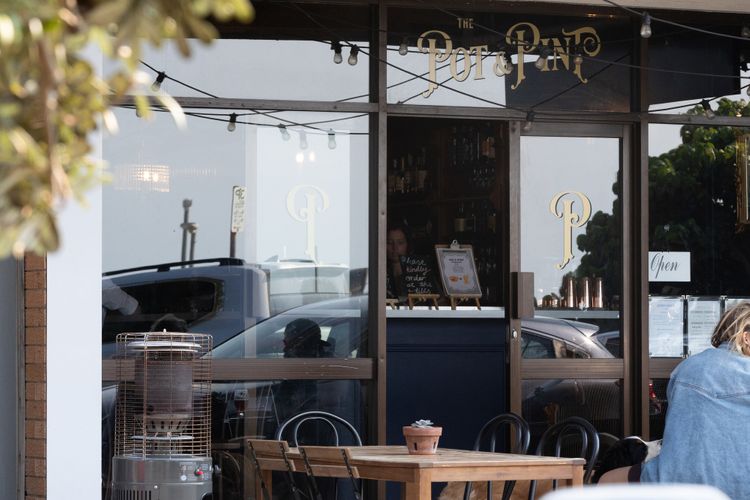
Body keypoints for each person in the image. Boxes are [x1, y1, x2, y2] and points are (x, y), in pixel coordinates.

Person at [599, 302, 750, 499]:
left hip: (674, 481)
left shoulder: (687, 366)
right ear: (746, 337)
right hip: (737, 486)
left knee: (605, 480)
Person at [386, 222, 411, 299]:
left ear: (408, 244)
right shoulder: (376, 274)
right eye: (390, 243)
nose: (395, 248)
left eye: (400, 243)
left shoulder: (420, 272)